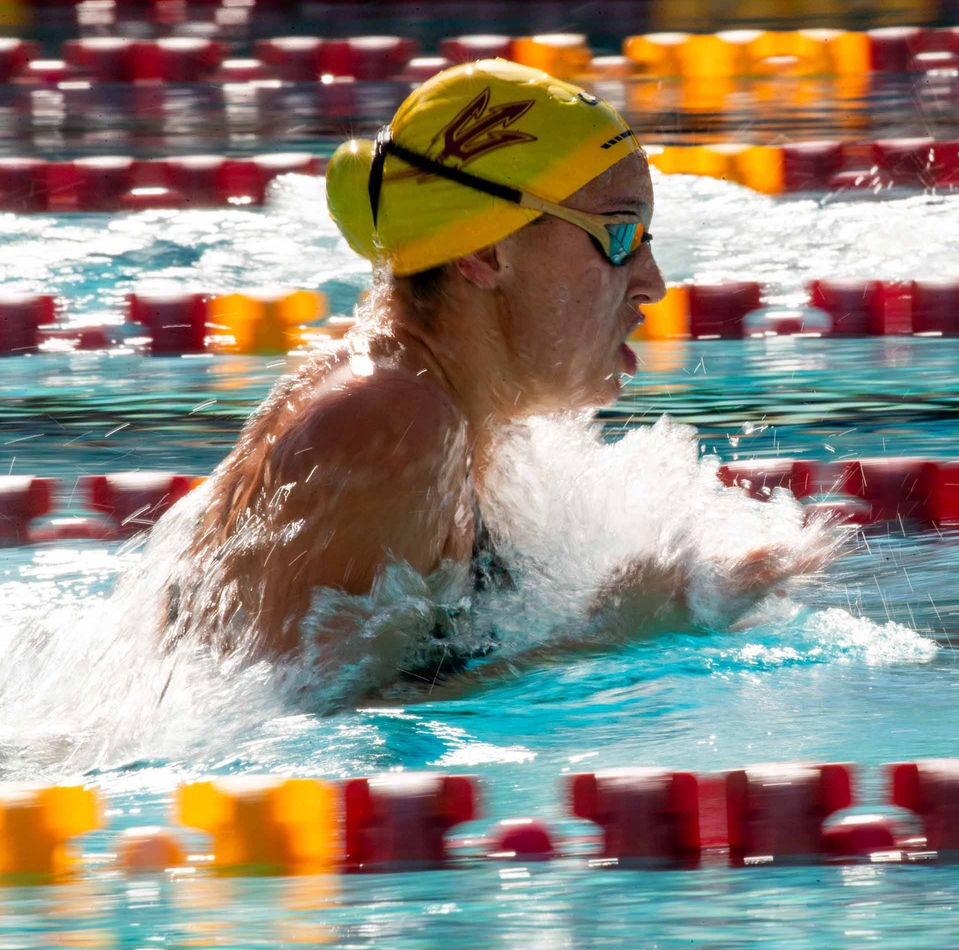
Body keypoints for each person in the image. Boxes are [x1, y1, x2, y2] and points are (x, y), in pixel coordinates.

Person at [161, 59, 831, 690]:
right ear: (484, 251)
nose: (652, 285)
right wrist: (615, 635)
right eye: (620, 237)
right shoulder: (388, 422)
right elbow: (305, 737)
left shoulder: (449, 417)